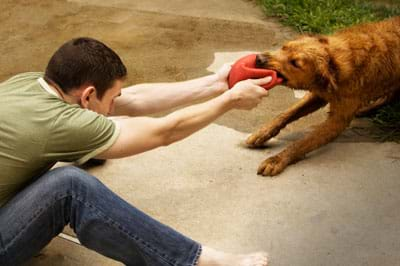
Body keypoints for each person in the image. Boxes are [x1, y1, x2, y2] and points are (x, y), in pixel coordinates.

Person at [0, 37, 272, 266]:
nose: (112, 106)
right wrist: (229, 101)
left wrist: (215, 84)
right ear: (88, 95)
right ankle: (193, 260)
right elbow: (165, 132)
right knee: (70, 186)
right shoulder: (60, 123)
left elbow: (133, 99)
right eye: (110, 98)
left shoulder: (29, 83)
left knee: (97, 134)